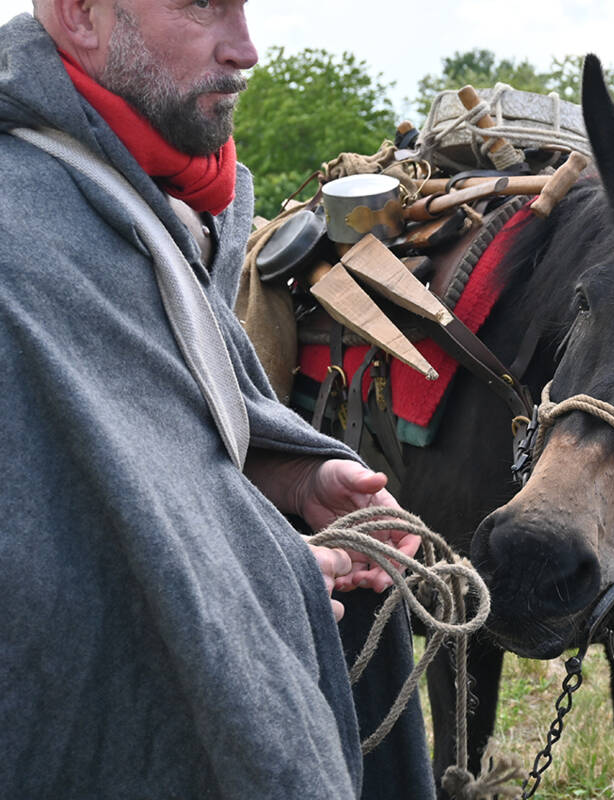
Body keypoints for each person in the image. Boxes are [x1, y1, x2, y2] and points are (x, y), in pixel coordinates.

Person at [0, 0, 434, 796]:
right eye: (200, 6)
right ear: (80, 14)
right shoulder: (17, 232)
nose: (247, 49)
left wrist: (291, 478)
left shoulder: (160, 206)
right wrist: (261, 576)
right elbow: (35, 585)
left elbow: (164, 425)